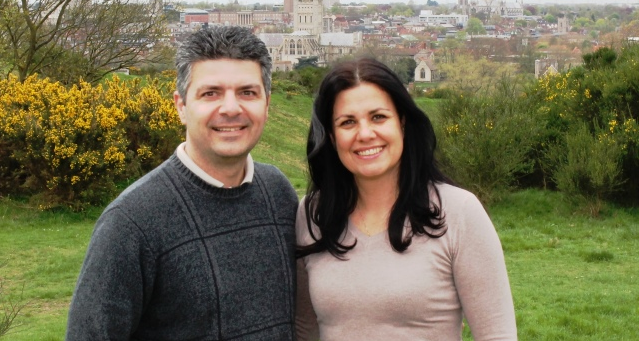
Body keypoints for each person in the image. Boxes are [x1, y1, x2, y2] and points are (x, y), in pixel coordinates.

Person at [66, 26, 299, 340]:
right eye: (210, 93)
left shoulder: (278, 193)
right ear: (181, 106)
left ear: (267, 105)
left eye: (247, 92)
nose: (231, 108)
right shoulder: (132, 222)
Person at [295, 58, 517, 341]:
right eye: (347, 122)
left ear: (402, 122)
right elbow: (304, 331)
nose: (365, 134)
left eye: (378, 117)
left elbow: (497, 335)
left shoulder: (459, 212)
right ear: (331, 135)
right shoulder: (313, 215)